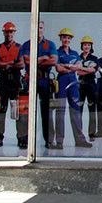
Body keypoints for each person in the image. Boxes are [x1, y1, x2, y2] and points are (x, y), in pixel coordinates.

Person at [51, 28, 92, 149]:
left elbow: (78, 67)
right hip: (62, 82)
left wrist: (66, 66)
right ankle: (59, 141)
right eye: (64, 37)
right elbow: (58, 68)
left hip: (73, 83)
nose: (66, 40)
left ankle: (80, 140)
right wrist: (71, 67)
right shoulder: (57, 52)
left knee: (76, 110)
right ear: (61, 38)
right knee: (60, 111)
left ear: (71, 39)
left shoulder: (75, 53)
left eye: (68, 38)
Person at [20, 21, 58, 149]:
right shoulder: (27, 44)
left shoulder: (50, 44)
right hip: (30, 79)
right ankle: (25, 140)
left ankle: (49, 140)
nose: (39, 30)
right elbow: (27, 61)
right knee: (26, 111)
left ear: (43, 29)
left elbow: (53, 61)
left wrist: (35, 60)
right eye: (36, 27)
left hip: (45, 80)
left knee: (47, 111)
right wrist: (43, 58)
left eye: (41, 27)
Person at [0, 22, 23, 147]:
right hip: (3, 82)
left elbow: (21, 64)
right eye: (7, 32)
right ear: (3, 33)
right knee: (1, 110)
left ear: (14, 33)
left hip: (15, 82)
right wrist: (11, 63)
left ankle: (21, 139)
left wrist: (4, 64)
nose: (9, 34)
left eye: (11, 32)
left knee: (17, 111)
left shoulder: (19, 47)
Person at [78, 37, 100, 139]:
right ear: (82, 46)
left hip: (91, 85)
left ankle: (92, 133)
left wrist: (83, 69)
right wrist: (88, 69)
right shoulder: (78, 57)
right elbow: (78, 72)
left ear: (91, 46)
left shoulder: (95, 58)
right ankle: (79, 133)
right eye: (85, 45)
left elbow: (93, 70)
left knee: (92, 109)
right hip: (81, 86)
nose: (86, 46)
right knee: (79, 109)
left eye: (88, 45)